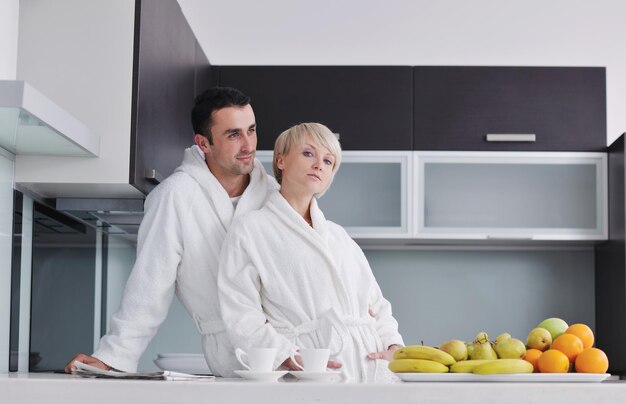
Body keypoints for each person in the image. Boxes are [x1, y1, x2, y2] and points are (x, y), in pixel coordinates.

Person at [64, 87, 278, 376]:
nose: (248, 144)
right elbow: (150, 284)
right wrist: (113, 355)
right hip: (233, 356)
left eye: (251, 130)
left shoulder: (274, 194)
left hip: (301, 347)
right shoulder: (176, 196)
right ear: (203, 143)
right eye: (233, 135)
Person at [217, 122, 404, 383]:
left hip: (370, 369)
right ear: (280, 160)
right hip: (309, 368)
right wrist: (287, 356)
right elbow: (241, 312)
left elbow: (377, 305)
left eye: (329, 161)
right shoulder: (251, 230)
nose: (319, 164)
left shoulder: (339, 235)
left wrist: (394, 347)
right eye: (308, 154)